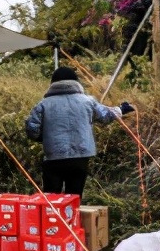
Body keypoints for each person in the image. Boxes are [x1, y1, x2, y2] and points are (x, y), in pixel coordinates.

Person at [24, 66, 134, 197]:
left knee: (51, 199)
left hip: (54, 157)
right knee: (74, 198)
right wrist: (121, 109)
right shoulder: (87, 101)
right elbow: (106, 116)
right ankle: (72, 216)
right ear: (76, 82)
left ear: (53, 83)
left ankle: (53, 217)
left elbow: (32, 129)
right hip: (80, 157)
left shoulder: (43, 104)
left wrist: (41, 137)